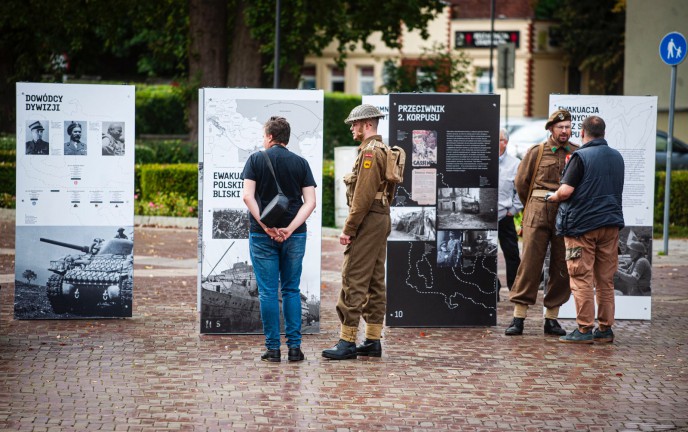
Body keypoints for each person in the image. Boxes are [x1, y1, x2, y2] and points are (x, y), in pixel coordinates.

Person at [241, 116, 316, 363]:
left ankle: (273, 350)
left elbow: (247, 197)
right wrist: (291, 229)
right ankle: (295, 349)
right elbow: (311, 203)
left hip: (262, 235)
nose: (263, 140)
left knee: (267, 292)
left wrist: (267, 226)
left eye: (264, 136)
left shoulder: (255, 160)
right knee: (291, 289)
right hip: (295, 236)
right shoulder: (301, 163)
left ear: (271, 136)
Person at [546, 115, 625, 343]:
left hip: (582, 227)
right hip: (610, 226)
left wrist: (553, 197)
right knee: (605, 280)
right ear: (603, 132)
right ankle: (605, 329)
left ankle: (583, 329)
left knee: (581, 277)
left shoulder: (580, 156)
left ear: (582, 132)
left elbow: (566, 191)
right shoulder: (617, 157)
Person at [322, 104, 391, 360]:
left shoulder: (371, 153)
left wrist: (348, 229)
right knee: (374, 280)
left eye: (355, 124)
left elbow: (362, 197)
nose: (352, 128)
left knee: (353, 277)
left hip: (368, 220)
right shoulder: (381, 149)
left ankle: (347, 341)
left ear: (367, 125)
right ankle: (372, 339)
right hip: (379, 218)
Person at [505, 109, 579, 336]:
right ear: (551, 129)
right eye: (560, 127)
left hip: (565, 213)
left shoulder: (577, 153)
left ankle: (551, 319)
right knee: (529, 263)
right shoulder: (537, 152)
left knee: (561, 265)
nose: (564, 131)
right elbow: (521, 182)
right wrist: (534, 203)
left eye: (567, 127)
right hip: (538, 212)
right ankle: (519, 317)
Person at [497, 128, 523, 291]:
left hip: (504, 215)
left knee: (512, 254)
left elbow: (520, 190)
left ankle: (515, 289)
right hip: (485, 217)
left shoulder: (515, 164)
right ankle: (494, 288)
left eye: (497, 139)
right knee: (484, 253)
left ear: (504, 142)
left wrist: (513, 210)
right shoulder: (484, 159)